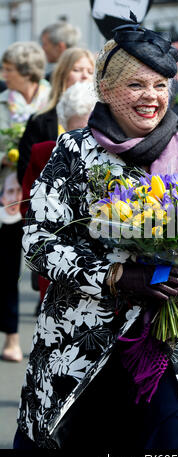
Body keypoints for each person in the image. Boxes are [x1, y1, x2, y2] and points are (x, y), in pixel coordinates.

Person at [13, 21, 178, 450]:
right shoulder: (75, 153)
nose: (151, 97)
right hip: (85, 345)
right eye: (136, 84)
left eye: (160, 85)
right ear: (106, 87)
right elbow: (38, 242)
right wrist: (114, 277)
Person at [21, 80, 97, 301]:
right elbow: (26, 207)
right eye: (77, 131)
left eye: (90, 131)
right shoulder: (45, 153)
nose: (83, 140)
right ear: (64, 126)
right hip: (59, 265)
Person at [0, 41, 50, 362]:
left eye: (8, 69)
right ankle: (12, 337)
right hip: (6, 197)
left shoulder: (51, 100)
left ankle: (48, 336)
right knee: (6, 270)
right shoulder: (2, 103)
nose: (3, 74)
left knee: (46, 268)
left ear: (26, 73)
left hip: (45, 198)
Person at [17, 47, 95, 186]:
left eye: (90, 72)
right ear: (62, 75)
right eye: (77, 70)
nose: (84, 76)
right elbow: (25, 172)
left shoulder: (107, 118)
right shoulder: (40, 120)